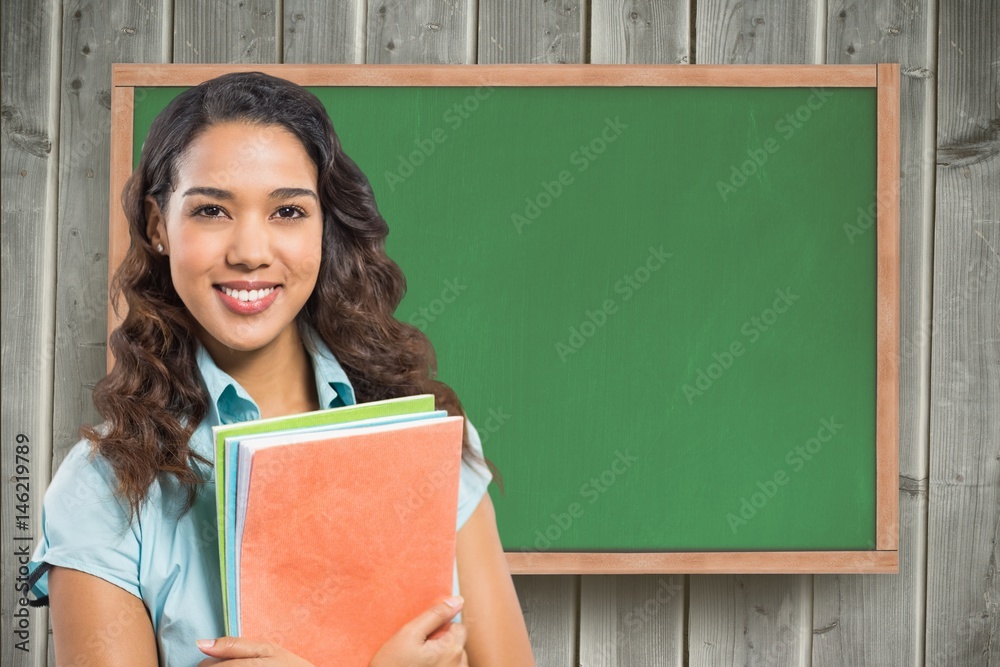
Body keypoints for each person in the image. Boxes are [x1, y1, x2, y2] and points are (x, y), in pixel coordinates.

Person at [25, 70, 535, 667]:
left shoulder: (429, 443)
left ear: (326, 225)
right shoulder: (103, 488)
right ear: (160, 225)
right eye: (212, 209)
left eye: (287, 211)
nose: (249, 251)